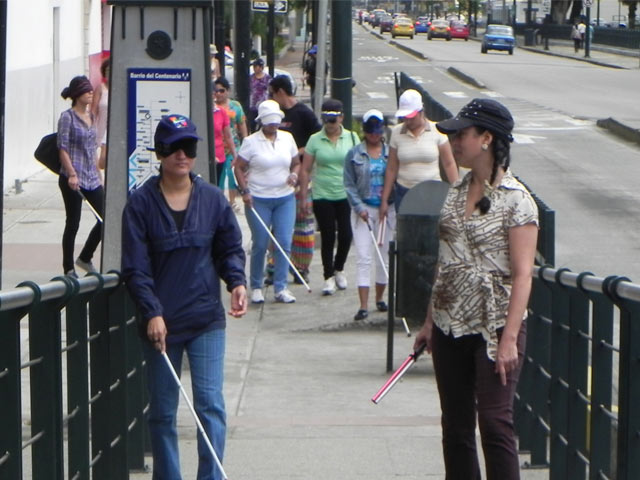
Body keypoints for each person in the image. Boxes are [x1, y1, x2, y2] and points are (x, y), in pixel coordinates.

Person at [413, 98, 539, 480]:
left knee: (495, 422)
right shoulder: (456, 191)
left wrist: (509, 339)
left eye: (461, 135)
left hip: (494, 326)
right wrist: (429, 322)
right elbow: (445, 261)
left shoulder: (517, 200)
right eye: (451, 135)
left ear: (486, 138)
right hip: (451, 323)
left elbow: (523, 275)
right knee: (455, 425)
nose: (453, 142)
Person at [121, 114, 247, 480]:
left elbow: (229, 248)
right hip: (161, 324)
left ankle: (211, 476)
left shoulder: (212, 200)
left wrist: (236, 281)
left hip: (206, 318)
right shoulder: (141, 205)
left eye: (189, 146)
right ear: (160, 152)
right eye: (174, 147)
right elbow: (135, 268)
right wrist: (152, 312)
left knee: (210, 406)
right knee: (162, 410)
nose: (182, 154)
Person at [235, 100, 300, 304]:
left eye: (276, 122)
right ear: (261, 122)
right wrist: (244, 190)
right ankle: (255, 285)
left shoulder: (287, 138)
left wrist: (294, 176)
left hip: (284, 197)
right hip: (258, 198)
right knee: (261, 242)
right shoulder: (251, 142)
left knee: (283, 242)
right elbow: (238, 167)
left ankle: (281, 287)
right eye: (270, 122)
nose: (274, 126)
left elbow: (296, 163)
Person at [299, 98, 357, 296]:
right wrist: (304, 196)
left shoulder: (352, 138)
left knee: (346, 234)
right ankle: (327, 276)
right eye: (326, 119)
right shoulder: (315, 139)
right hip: (322, 193)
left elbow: (358, 165)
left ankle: (339, 268)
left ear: (341, 118)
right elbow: (305, 169)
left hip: (345, 193)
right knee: (328, 235)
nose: (330, 124)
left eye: (333, 119)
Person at [269, 74, 322, 284]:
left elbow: (317, 139)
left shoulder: (303, 113)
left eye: (273, 93)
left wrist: (296, 151)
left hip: (300, 177)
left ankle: (301, 267)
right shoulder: (273, 114)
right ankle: (273, 265)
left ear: (281, 92)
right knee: (276, 225)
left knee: (303, 224)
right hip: (276, 179)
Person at [343, 109, 395, 321]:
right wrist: (359, 208)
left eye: (378, 130)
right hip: (363, 210)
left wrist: (387, 203)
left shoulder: (391, 153)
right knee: (364, 256)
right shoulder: (354, 154)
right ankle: (363, 305)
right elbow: (349, 184)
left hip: (386, 211)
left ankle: (379, 299)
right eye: (370, 131)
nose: (374, 135)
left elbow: (396, 180)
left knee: (383, 256)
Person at [379, 89, 458, 220]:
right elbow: (392, 168)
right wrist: (384, 200)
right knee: (408, 233)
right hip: (405, 191)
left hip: (432, 192)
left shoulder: (437, 130)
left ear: (421, 112)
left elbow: (449, 163)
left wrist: (456, 192)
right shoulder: (397, 132)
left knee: (431, 230)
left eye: (411, 117)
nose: (408, 121)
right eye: (405, 118)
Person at [57, 75, 103, 277]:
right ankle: (68, 268)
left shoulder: (91, 117)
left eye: (91, 90)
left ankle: (85, 256)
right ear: (77, 95)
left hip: (91, 176)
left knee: (104, 219)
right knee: (73, 222)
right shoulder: (67, 117)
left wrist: (98, 174)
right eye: (86, 91)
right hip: (73, 177)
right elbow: (62, 148)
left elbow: (92, 149)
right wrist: (71, 174)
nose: (91, 93)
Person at [214, 76, 247, 212]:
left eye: (222, 91)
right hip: (218, 148)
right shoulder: (213, 108)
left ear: (227, 91)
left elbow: (242, 123)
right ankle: (220, 201)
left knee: (232, 173)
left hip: (234, 145)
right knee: (220, 177)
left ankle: (233, 201)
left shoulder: (236, 106)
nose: (219, 94)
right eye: (216, 91)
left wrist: (245, 140)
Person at [212, 94, 236, 187]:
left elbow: (228, 136)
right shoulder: (200, 111)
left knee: (216, 184)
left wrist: (235, 155)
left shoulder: (221, 112)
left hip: (219, 155)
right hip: (204, 155)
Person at [91, 57, 109, 170]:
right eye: (107, 71)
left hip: (113, 129)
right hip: (101, 127)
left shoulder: (121, 88)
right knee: (101, 161)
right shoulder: (100, 88)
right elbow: (94, 110)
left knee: (105, 157)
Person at [249, 58, 271, 132]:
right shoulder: (251, 77)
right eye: (254, 66)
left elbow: (270, 89)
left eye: (256, 66)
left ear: (261, 67)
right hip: (253, 104)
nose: (255, 68)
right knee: (252, 124)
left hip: (263, 103)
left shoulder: (267, 78)